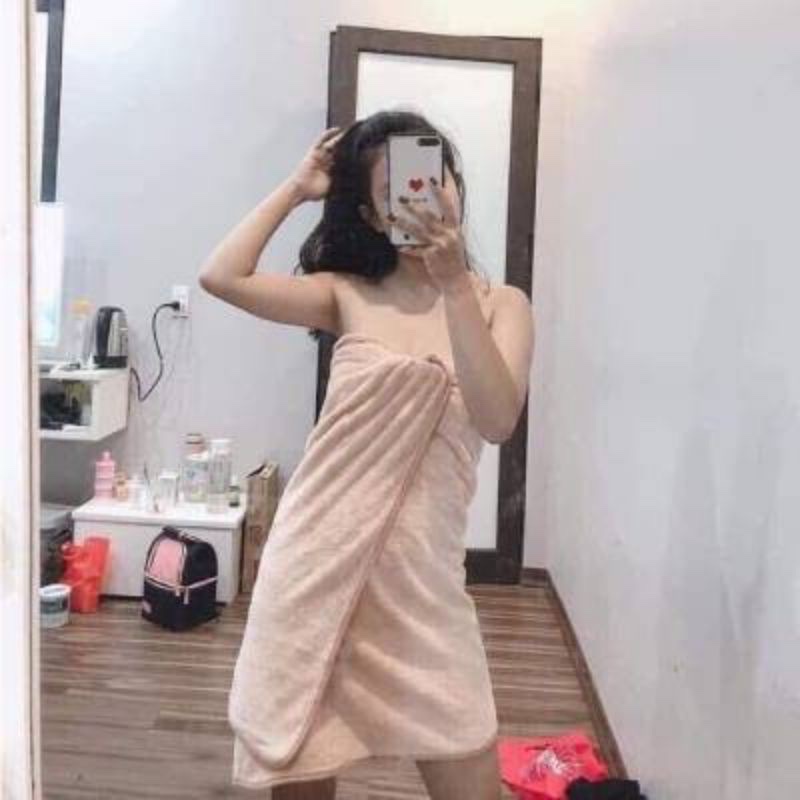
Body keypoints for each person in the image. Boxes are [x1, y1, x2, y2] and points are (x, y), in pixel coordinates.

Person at [199, 110, 535, 800]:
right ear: (371, 215)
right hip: (315, 575)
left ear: (455, 186)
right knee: (301, 771)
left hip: (423, 592)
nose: (423, 198)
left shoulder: (502, 305)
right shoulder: (345, 294)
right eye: (395, 192)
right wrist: (296, 189)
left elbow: (498, 418)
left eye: (435, 179)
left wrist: (453, 286)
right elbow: (221, 276)